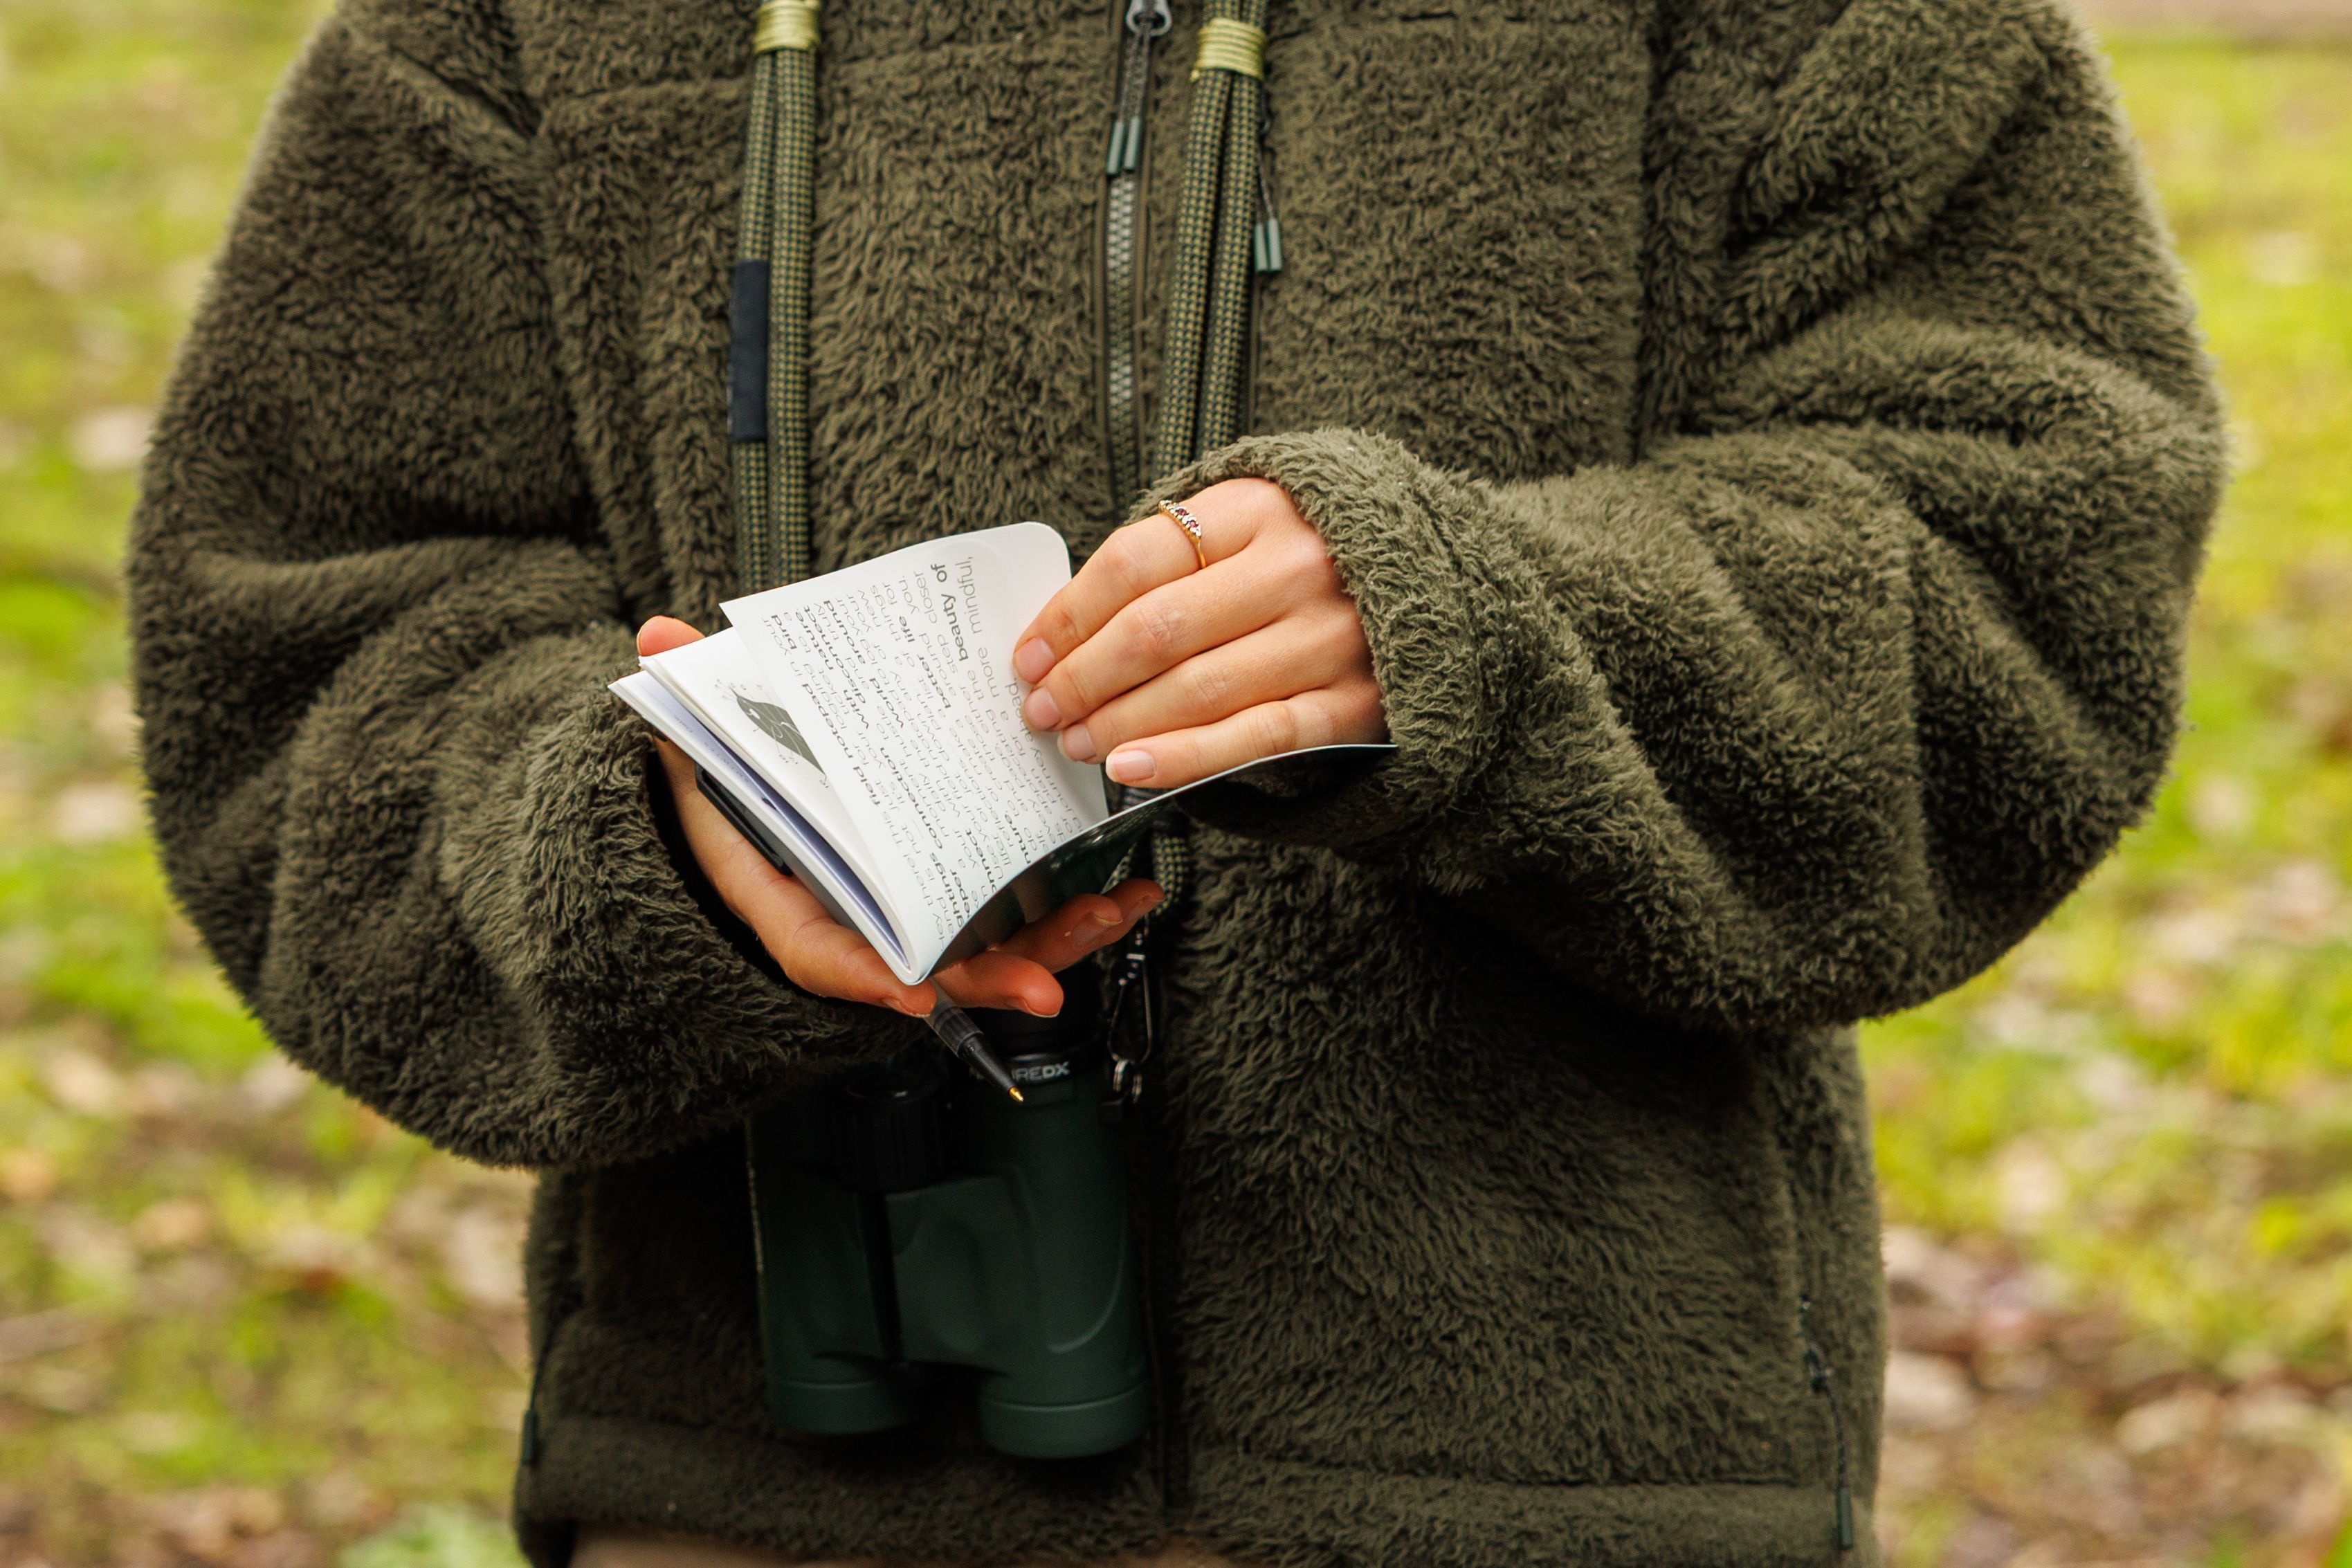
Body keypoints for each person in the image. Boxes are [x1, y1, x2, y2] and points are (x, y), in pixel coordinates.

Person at [126, 0, 2222, 1561]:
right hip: (764, 1493)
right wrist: (656, 843)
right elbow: (308, 650)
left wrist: (1477, 634)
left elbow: (2025, 564)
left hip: (1575, 1493)